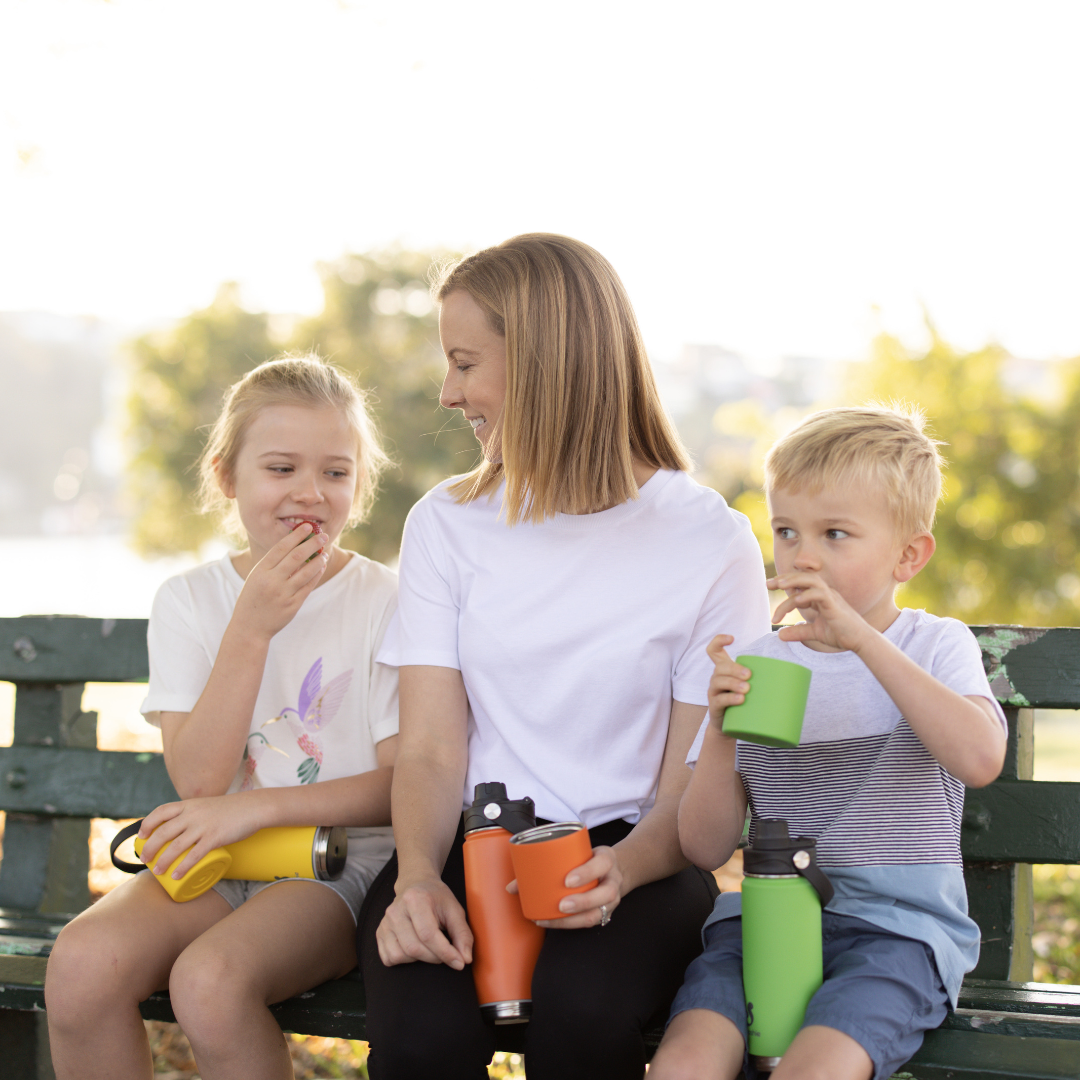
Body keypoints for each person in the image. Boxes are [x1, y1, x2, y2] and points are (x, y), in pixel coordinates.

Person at [356, 233, 773, 1080]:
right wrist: (413, 883)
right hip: (464, 847)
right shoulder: (446, 523)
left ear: (544, 361)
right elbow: (433, 749)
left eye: (466, 363)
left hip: (639, 859)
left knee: (581, 1026)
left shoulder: (708, 539)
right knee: (420, 1043)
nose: (448, 391)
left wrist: (620, 869)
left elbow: (686, 788)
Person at [45, 354, 400, 1080]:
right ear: (226, 476)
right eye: (281, 469)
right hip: (220, 860)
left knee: (210, 981)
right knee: (80, 965)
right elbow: (201, 779)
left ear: (359, 484)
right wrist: (250, 630)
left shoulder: (385, 602)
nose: (310, 492)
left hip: (338, 868)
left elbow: (401, 783)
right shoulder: (190, 602)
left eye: (336, 472)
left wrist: (255, 811)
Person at [649, 406, 1009, 1080]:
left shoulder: (932, 646)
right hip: (762, 925)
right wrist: (724, 731)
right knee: (684, 1065)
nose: (802, 556)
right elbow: (701, 847)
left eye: (835, 534)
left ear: (908, 555)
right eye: (786, 532)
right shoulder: (760, 663)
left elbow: (981, 758)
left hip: (896, 936)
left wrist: (864, 643)